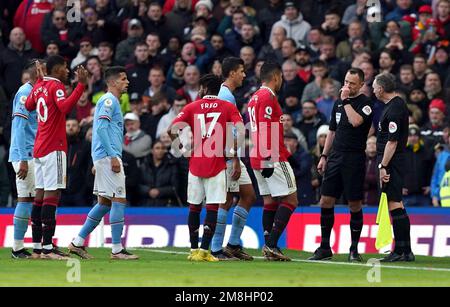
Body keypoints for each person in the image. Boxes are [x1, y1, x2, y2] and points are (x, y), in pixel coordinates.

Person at [168, 73, 245, 262]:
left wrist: (183, 148)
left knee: (194, 207)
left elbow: (171, 129)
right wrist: (233, 150)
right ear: (219, 89)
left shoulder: (192, 106)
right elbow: (241, 129)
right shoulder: (227, 106)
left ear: (203, 89)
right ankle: (205, 251)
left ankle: (193, 250)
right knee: (212, 207)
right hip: (217, 163)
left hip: (196, 162)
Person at [68, 66, 139, 260]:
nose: (127, 82)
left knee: (105, 203)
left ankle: (77, 243)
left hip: (103, 157)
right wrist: (112, 156)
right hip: (109, 157)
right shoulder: (109, 100)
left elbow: (101, 129)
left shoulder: (112, 101)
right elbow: (100, 129)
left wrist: (97, 159)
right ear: (114, 82)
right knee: (118, 200)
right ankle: (117, 250)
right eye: (123, 79)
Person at [25, 56, 88, 260]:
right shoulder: (57, 86)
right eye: (65, 67)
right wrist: (81, 86)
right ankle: (48, 248)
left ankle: (37, 247)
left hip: (40, 148)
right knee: (52, 197)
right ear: (57, 69)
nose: (68, 70)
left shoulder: (41, 86)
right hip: (54, 148)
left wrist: (40, 82)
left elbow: (28, 105)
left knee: (40, 197)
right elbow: (64, 108)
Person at [308, 68, 373, 262]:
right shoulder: (337, 104)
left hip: (354, 158)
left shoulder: (366, 104)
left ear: (361, 85)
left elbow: (355, 122)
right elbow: (332, 131)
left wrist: (345, 101)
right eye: (346, 81)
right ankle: (325, 247)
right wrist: (324, 156)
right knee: (326, 201)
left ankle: (353, 249)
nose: (347, 86)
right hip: (335, 157)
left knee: (354, 203)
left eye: (352, 83)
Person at [247, 61, 298, 261]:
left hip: (256, 154)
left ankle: (269, 246)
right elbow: (265, 128)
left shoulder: (254, 97)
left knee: (269, 201)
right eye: (281, 77)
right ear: (276, 77)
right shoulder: (268, 96)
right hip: (271, 155)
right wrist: (269, 157)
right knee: (291, 199)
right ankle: (271, 245)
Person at [211, 57, 256, 261]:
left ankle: (233, 244)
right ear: (231, 73)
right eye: (241, 71)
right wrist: (234, 159)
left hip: (231, 154)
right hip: (228, 156)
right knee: (227, 199)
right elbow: (225, 131)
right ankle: (216, 248)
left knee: (248, 196)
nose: (244, 75)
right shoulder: (225, 97)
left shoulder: (226, 94)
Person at [373, 72, 415, 262]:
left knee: (394, 203)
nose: (373, 90)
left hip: (392, 160)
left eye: (374, 87)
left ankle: (400, 250)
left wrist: (383, 165)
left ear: (381, 89)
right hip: (393, 160)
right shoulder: (394, 106)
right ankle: (406, 250)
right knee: (396, 203)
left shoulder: (395, 108)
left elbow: (392, 142)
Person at [8, 60, 39, 258]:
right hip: (25, 155)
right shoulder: (24, 93)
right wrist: (23, 158)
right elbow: (19, 127)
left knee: (35, 199)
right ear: (35, 73)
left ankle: (36, 245)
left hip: (33, 153)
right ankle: (18, 247)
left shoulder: (36, 93)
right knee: (26, 199)